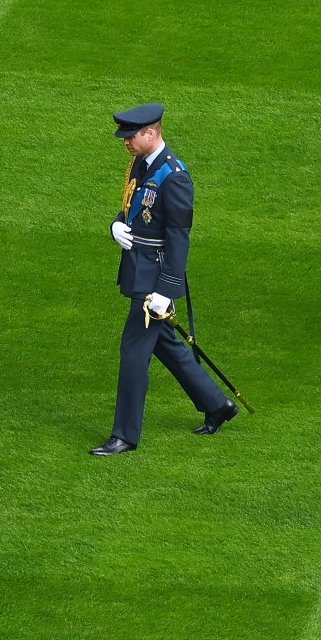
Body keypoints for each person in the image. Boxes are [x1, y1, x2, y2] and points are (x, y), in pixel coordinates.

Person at [90, 103, 238, 456]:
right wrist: (116, 224)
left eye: (131, 136)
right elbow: (136, 205)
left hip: (153, 280)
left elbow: (178, 238)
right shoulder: (142, 164)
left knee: (133, 353)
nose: (125, 142)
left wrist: (165, 291)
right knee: (164, 344)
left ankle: (124, 435)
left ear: (151, 133)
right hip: (139, 269)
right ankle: (217, 404)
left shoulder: (175, 176)